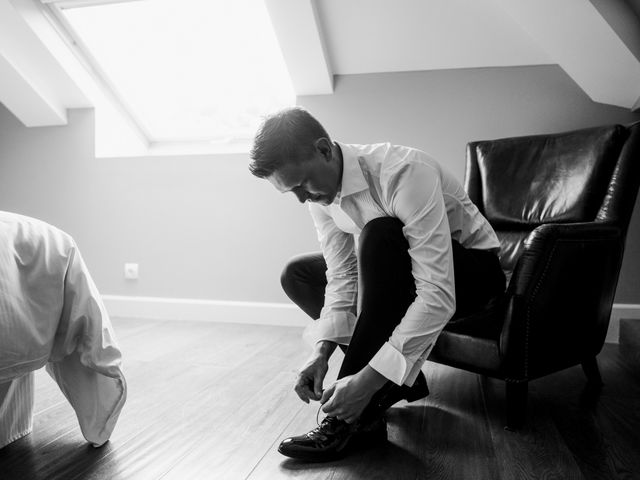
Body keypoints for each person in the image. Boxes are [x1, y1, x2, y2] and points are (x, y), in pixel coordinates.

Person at [248, 107, 505, 462]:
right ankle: (397, 380)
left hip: (473, 278)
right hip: (406, 277)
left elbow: (438, 295)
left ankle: (354, 417)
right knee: (299, 273)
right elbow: (341, 276)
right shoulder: (319, 195)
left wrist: (364, 380)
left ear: (324, 150)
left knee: (380, 234)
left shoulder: (404, 172)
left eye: (302, 185)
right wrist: (321, 350)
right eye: (291, 192)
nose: (302, 199)